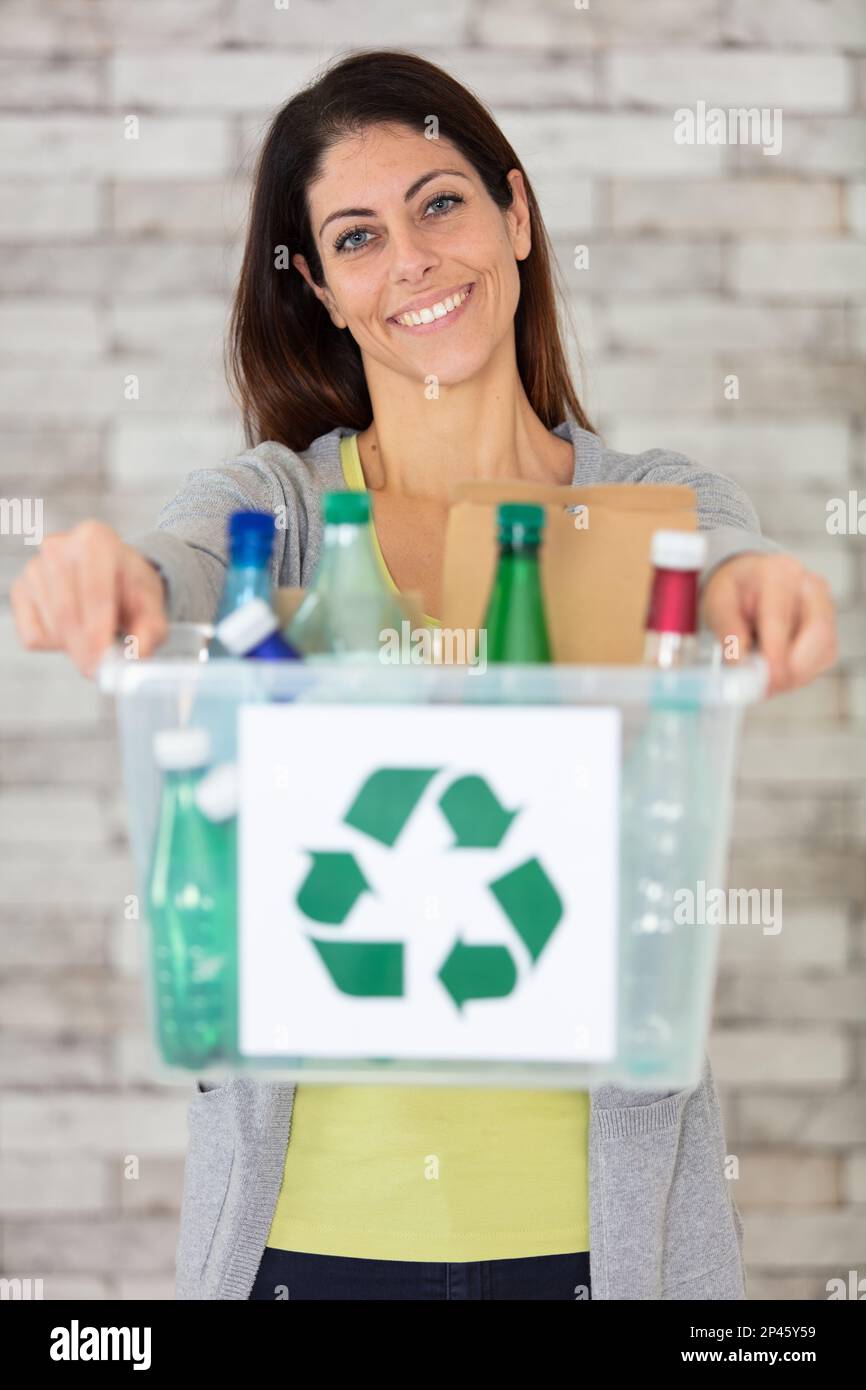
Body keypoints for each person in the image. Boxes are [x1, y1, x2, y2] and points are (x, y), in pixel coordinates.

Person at [11, 50, 836, 1301]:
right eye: (356, 237)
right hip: (306, 1243)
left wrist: (749, 587)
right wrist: (110, 575)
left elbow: (710, 559)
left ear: (513, 212)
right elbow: (178, 562)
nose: (410, 259)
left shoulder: (643, 502)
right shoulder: (276, 509)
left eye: (439, 203)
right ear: (324, 293)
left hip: (591, 1244)